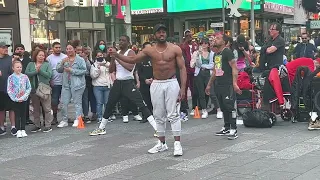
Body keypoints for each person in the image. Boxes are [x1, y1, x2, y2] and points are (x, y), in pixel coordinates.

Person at [109, 24, 187, 156]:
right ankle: (161, 143)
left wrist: (183, 88)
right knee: (158, 115)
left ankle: (177, 144)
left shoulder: (175, 49)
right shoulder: (149, 50)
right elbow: (133, 59)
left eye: (163, 32)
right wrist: (116, 55)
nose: (161, 34)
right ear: (155, 35)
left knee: (173, 114)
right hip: (156, 83)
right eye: (159, 32)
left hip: (171, 82)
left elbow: (182, 68)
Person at [89, 35, 157, 137]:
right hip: (118, 82)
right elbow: (111, 70)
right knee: (109, 105)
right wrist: (112, 59)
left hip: (128, 82)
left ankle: (156, 128)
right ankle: (101, 128)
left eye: (123, 41)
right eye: (119, 40)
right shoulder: (118, 53)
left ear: (128, 42)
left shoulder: (130, 52)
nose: (120, 42)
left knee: (141, 104)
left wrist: (117, 57)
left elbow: (130, 67)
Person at [205, 33, 242, 140]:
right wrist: (209, 85)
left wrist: (234, 83)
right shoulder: (217, 54)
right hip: (219, 84)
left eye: (218, 38)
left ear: (224, 42)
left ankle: (234, 129)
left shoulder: (227, 52)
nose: (215, 40)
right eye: (215, 38)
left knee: (230, 107)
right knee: (223, 107)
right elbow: (216, 71)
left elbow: (235, 68)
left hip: (228, 84)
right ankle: (226, 127)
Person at [56, 42, 87, 128]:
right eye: (67, 49)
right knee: (63, 103)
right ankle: (64, 120)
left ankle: (78, 119)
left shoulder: (80, 60)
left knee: (77, 103)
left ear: (75, 50)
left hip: (77, 84)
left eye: (70, 49)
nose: (69, 50)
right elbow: (58, 69)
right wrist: (62, 62)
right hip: (66, 84)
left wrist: (72, 70)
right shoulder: (64, 59)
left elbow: (84, 71)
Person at [25, 49, 53, 132]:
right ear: (36, 56)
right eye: (39, 55)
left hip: (44, 89)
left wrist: (40, 71)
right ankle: (37, 125)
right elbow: (27, 73)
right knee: (36, 109)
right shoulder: (30, 64)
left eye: (43, 55)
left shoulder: (47, 64)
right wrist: (35, 71)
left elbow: (49, 75)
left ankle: (48, 125)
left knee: (47, 108)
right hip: (34, 88)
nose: (41, 57)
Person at [7, 60, 31, 138]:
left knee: (23, 114)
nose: (19, 68)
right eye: (17, 67)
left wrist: (24, 97)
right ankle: (18, 130)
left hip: (23, 99)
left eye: (20, 67)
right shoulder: (10, 77)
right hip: (15, 99)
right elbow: (9, 89)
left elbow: (28, 87)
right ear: (13, 68)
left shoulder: (25, 77)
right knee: (17, 115)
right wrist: (14, 98)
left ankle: (23, 129)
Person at [47, 42, 67, 125]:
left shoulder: (65, 57)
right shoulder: (49, 58)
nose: (58, 49)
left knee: (64, 101)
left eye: (59, 47)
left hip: (64, 82)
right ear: (53, 48)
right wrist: (50, 80)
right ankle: (54, 117)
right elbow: (48, 70)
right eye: (56, 47)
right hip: (55, 82)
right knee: (54, 102)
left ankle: (64, 118)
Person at [0, 42, 16, 136]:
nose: (6, 49)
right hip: (0, 88)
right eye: (3, 47)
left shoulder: (10, 59)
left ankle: (13, 127)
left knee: (11, 108)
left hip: (10, 88)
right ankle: (1, 127)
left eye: (6, 47)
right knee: (1, 109)